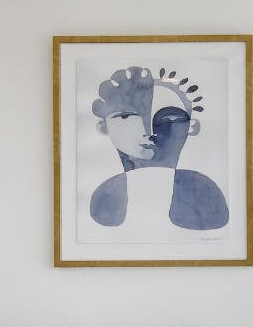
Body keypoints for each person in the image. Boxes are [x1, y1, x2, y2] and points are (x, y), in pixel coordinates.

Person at [88, 66, 228, 230]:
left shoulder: (205, 195)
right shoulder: (104, 201)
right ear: (103, 127)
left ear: (192, 127)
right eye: (126, 117)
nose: (150, 132)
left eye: (169, 119)